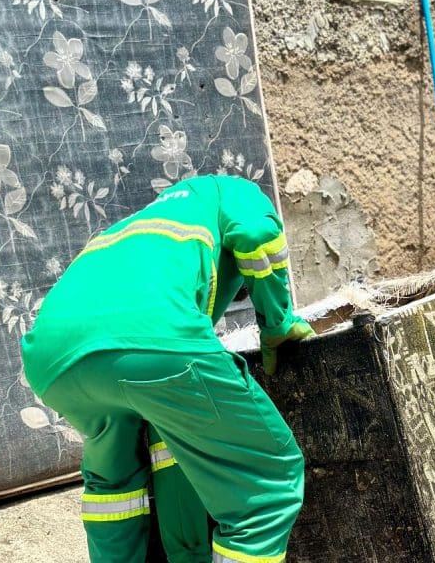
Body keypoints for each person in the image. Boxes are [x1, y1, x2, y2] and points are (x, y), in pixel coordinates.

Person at [22, 174, 316, 563]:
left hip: (51, 358)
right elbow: (257, 233)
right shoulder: (229, 190)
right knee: (267, 488)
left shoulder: (136, 229)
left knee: (114, 486)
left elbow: (174, 448)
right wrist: (276, 324)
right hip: (154, 334)